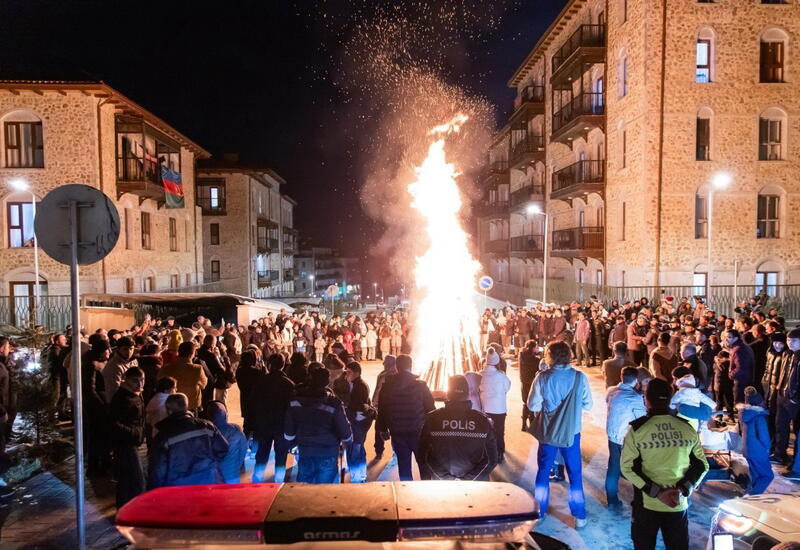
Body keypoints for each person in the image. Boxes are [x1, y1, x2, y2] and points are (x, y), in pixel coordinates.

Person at [621, 378, 709, 550]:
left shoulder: (637, 430)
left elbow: (628, 467)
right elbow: (701, 465)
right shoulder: (686, 428)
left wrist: (657, 492)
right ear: (670, 399)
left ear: (646, 400)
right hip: (677, 503)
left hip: (647, 504)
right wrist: (683, 489)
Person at [527, 341, 592, 527]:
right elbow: (589, 405)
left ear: (550, 356)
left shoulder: (543, 377)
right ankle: (579, 515)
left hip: (549, 432)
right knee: (575, 472)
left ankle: (539, 511)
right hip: (572, 432)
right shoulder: (580, 377)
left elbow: (533, 405)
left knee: (543, 470)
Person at [418, 375, 498, 481]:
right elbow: (491, 459)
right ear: (468, 394)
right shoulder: (482, 420)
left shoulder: (432, 418)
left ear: (447, 394)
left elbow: (422, 454)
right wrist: (469, 479)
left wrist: (444, 477)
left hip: (442, 484)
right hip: (475, 485)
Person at [284, 366, 352, 484]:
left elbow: (288, 434)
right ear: (327, 382)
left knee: (305, 493)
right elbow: (346, 434)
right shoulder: (333, 403)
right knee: (326, 494)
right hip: (328, 453)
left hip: (305, 452)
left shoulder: (295, 402)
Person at [150, 393, 229, 488]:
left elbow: (158, 470)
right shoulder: (207, 426)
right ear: (186, 407)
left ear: (169, 411)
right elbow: (223, 449)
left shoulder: (163, 435)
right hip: (209, 481)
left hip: (179, 487)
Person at [376, 354, 435, 481]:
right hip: (419, 432)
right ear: (411, 366)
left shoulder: (388, 386)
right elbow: (431, 409)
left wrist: (382, 429)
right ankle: (427, 490)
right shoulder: (421, 386)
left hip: (397, 433)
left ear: (397, 367)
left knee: (403, 466)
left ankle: (406, 492)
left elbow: (382, 409)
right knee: (424, 464)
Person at [605, 366, 647, 508]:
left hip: (612, 434)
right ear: (636, 380)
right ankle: (639, 500)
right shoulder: (635, 398)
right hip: (626, 438)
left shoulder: (611, 392)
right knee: (636, 468)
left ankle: (612, 501)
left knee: (613, 467)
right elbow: (642, 420)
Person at [252, 353, 295, 483]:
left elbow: (254, 403)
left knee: (262, 453)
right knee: (281, 455)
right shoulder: (289, 384)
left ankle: (257, 479)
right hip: (282, 425)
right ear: (283, 366)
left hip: (264, 424)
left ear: (269, 365)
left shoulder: (261, 381)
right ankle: (278, 481)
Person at [109, 367, 146, 507]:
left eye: (142, 380)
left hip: (131, 441)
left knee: (127, 479)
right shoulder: (124, 398)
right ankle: (132, 510)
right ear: (127, 380)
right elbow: (113, 423)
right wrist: (134, 433)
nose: (140, 383)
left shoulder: (135, 395)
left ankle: (125, 509)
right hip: (125, 443)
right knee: (137, 480)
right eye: (135, 381)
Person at [736, 387, 774, 494]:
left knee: (756, 474)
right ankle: (753, 496)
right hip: (758, 450)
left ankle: (751, 491)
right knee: (767, 476)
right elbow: (764, 437)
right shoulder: (759, 417)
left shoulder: (744, 413)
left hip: (747, 449)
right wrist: (766, 449)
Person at [203, 401, 247, 484]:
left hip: (211, 478)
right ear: (225, 415)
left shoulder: (204, 432)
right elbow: (242, 450)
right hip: (231, 476)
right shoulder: (235, 430)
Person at [479, 348, 511, 462]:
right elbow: (507, 387)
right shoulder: (501, 375)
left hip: (485, 408)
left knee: (486, 431)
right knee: (499, 431)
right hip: (499, 409)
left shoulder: (480, 374)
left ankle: (487, 453)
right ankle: (499, 452)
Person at [343, 362, 372, 483]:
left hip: (357, 424)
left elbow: (357, 406)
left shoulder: (359, 387)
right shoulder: (355, 384)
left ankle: (356, 478)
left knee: (355, 451)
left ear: (356, 373)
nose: (346, 375)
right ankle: (361, 475)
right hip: (358, 423)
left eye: (348, 372)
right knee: (358, 450)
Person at [158, 342, 208, 411]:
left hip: (169, 407)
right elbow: (204, 385)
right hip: (190, 406)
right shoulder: (197, 369)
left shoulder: (166, 368)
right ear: (191, 355)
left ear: (178, 352)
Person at [371, 354, 396, 459]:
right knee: (379, 429)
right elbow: (378, 390)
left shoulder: (394, 375)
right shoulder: (383, 374)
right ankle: (379, 451)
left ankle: (395, 450)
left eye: (385, 362)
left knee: (392, 429)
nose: (383, 363)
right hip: (380, 406)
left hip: (390, 406)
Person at [103, 336, 138, 403]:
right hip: (119, 402)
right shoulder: (113, 366)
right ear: (118, 349)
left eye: (131, 349)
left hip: (132, 399)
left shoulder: (133, 361)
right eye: (125, 349)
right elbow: (114, 390)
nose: (129, 352)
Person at [726, 329, 756, 403]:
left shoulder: (739, 349)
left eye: (729, 337)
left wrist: (731, 375)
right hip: (745, 379)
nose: (726, 339)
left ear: (736, 338)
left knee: (740, 403)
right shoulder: (740, 347)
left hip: (741, 381)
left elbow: (741, 367)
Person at [518, 340, 540, 431]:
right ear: (533, 348)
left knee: (525, 403)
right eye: (536, 347)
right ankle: (532, 424)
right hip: (532, 383)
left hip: (524, 382)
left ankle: (523, 424)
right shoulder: (536, 360)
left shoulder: (522, 356)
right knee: (532, 402)